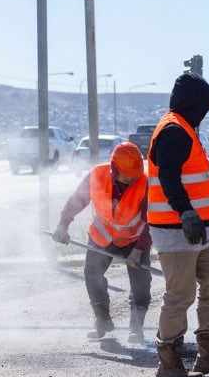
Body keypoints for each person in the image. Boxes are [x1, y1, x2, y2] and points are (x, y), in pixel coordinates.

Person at [147, 72, 209, 377]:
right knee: (180, 296)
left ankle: (207, 354)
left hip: (200, 227)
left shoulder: (185, 128)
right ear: (192, 103)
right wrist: (185, 211)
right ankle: (169, 364)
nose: (206, 112)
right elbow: (168, 176)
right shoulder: (173, 131)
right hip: (176, 228)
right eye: (204, 106)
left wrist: (195, 216)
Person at [51, 142, 152, 346]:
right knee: (92, 274)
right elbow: (77, 200)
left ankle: (136, 329)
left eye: (135, 175)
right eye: (127, 175)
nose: (131, 179)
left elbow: (151, 219)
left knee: (141, 284)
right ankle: (102, 320)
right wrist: (63, 225)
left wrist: (139, 249)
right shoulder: (97, 174)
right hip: (102, 236)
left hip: (134, 239)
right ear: (114, 167)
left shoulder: (145, 182)